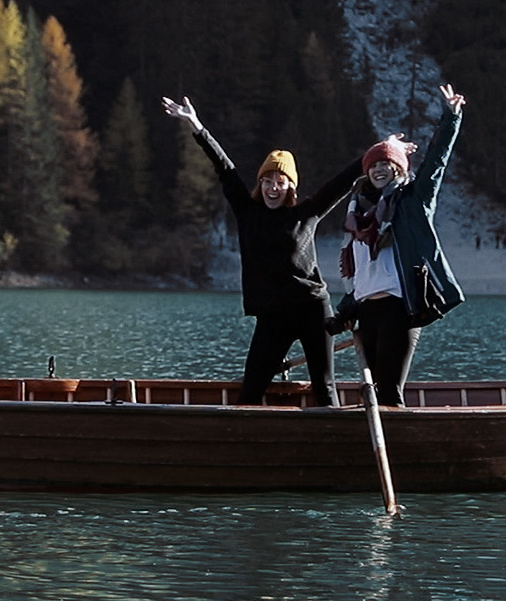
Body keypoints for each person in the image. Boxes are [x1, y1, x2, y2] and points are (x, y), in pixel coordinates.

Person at [164, 96, 363, 406]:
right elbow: (225, 169)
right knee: (251, 389)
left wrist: (379, 153)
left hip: (312, 309)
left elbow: (339, 184)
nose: (273, 187)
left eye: (280, 181)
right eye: (267, 180)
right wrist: (196, 126)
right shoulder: (247, 211)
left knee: (324, 390)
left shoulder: (306, 213)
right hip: (273, 315)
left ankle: (329, 445)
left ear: (290, 187)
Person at [332, 83, 467, 406]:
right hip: (367, 310)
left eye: (386, 164)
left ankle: (397, 451)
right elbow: (364, 273)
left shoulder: (411, 202)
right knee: (374, 393)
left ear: (397, 169)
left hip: (399, 307)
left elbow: (436, 163)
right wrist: (344, 311)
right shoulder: (358, 212)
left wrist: (450, 118)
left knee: (389, 392)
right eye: (374, 164)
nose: (379, 169)